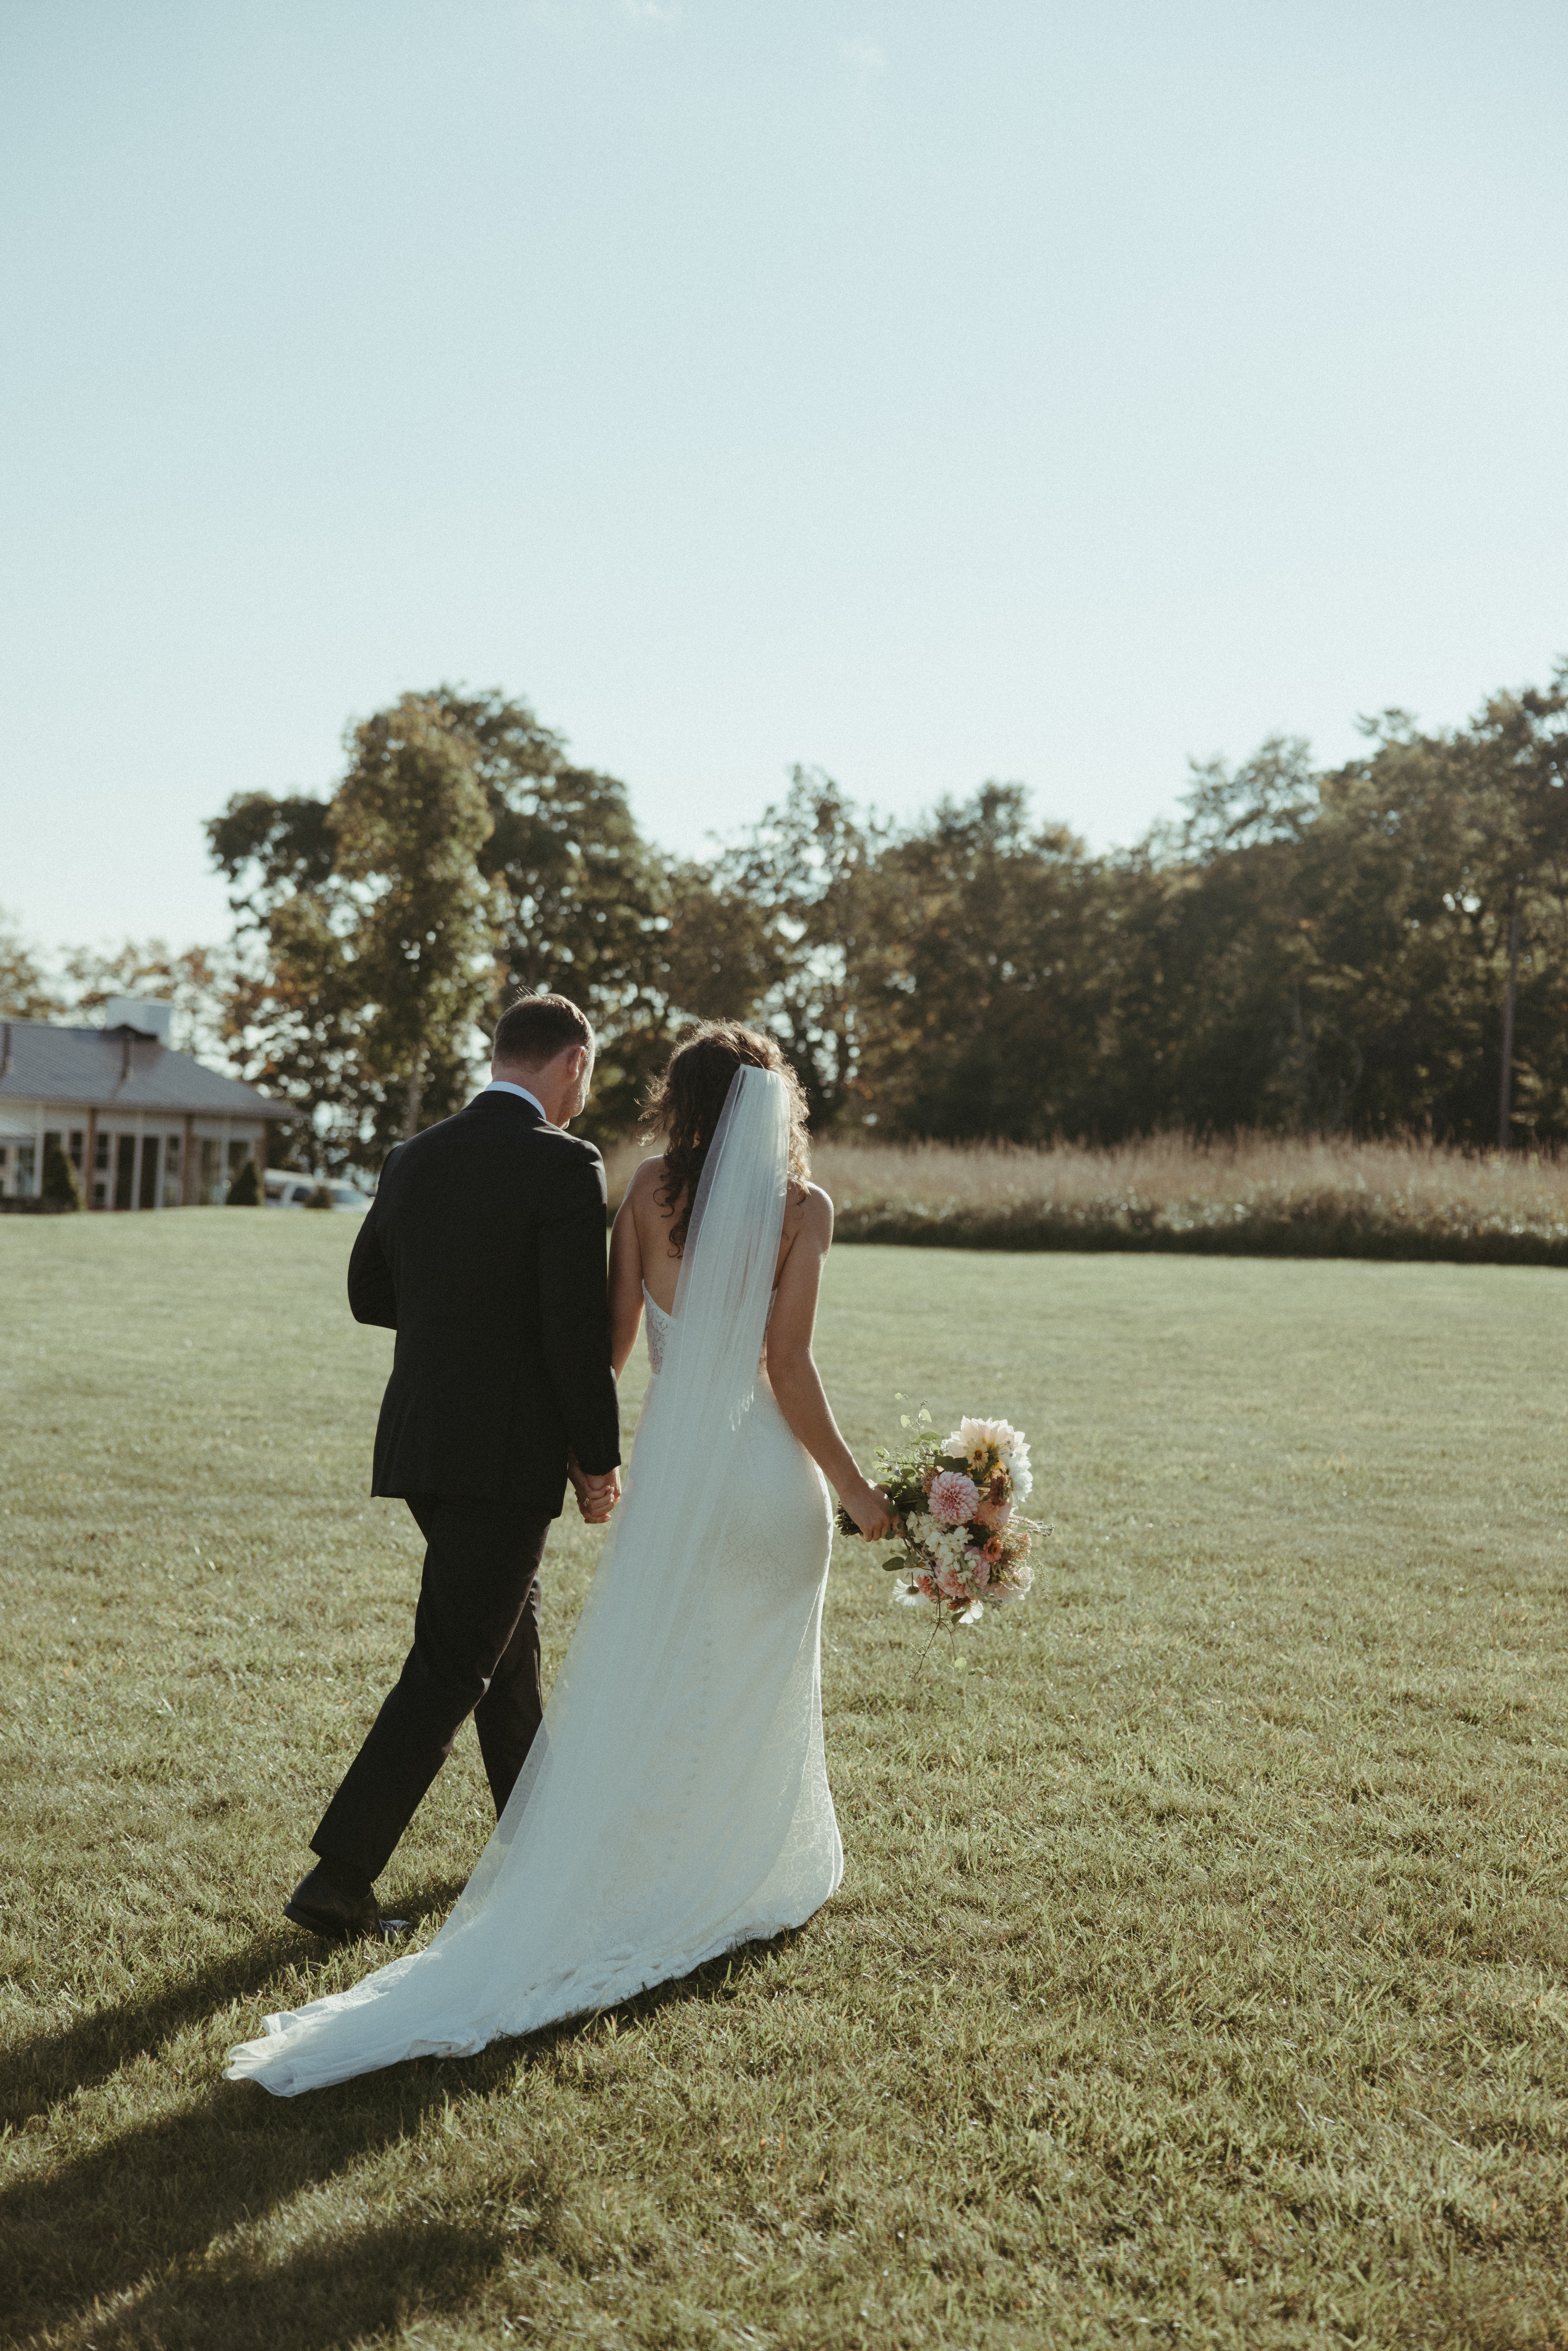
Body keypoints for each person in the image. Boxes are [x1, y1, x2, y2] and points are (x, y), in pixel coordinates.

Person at [227, 1023, 892, 2094]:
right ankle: (359, 1872)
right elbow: (773, 1363)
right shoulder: (784, 1208)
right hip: (748, 1479)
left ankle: (540, 1838)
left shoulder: (600, 1187)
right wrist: (851, 1491)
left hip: (573, 1468)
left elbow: (595, 1341)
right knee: (521, 1659)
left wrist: (564, 1417)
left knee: (531, 1648)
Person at [280, 993, 622, 1944]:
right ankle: (338, 1879)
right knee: (453, 1664)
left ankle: (541, 1837)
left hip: (423, 1444)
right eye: (586, 1077)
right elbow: (573, 1332)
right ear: (570, 1062)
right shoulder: (566, 1164)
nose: (584, 1095)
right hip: (504, 1455)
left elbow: (367, 1292)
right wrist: (598, 1461)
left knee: (506, 1647)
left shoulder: (412, 1157)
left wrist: (457, 1323)